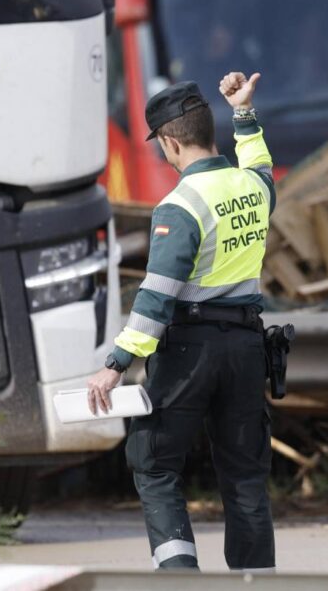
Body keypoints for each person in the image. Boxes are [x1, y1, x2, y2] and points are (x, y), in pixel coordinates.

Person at [85, 72, 276, 572]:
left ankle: (181, 582)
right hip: (246, 347)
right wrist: (245, 112)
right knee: (245, 474)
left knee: (154, 463)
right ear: (207, 131)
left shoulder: (180, 205)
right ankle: (257, 583)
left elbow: (157, 296)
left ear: (169, 142)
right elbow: (259, 160)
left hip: (190, 351)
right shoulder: (254, 188)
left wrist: (117, 362)